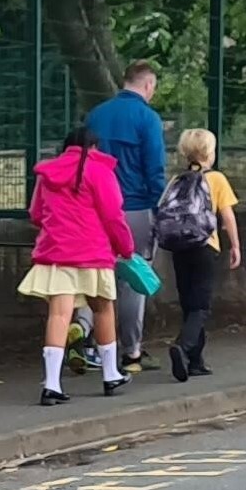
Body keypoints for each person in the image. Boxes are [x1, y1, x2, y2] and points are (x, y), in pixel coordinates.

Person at [24, 120, 134, 406]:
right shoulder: (100, 171)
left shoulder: (47, 174)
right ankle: (110, 374)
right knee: (103, 308)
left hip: (56, 252)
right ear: (94, 147)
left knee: (59, 315)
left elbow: (36, 214)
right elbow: (113, 216)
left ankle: (51, 384)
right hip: (93, 252)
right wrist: (126, 247)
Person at [88, 61, 164, 364]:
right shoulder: (148, 118)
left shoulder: (96, 115)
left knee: (95, 275)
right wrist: (158, 209)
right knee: (134, 277)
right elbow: (154, 168)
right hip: (134, 206)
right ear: (147, 85)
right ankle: (131, 350)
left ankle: (89, 343)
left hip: (94, 208)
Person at [155, 124, 242, 381]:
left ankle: (195, 360)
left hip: (180, 247)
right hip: (205, 246)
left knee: (188, 303)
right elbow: (227, 215)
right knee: (201, 306)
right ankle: (182, 346)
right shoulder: (216, 179)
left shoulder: (176, 180)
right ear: (209, 153)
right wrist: (235, 245)